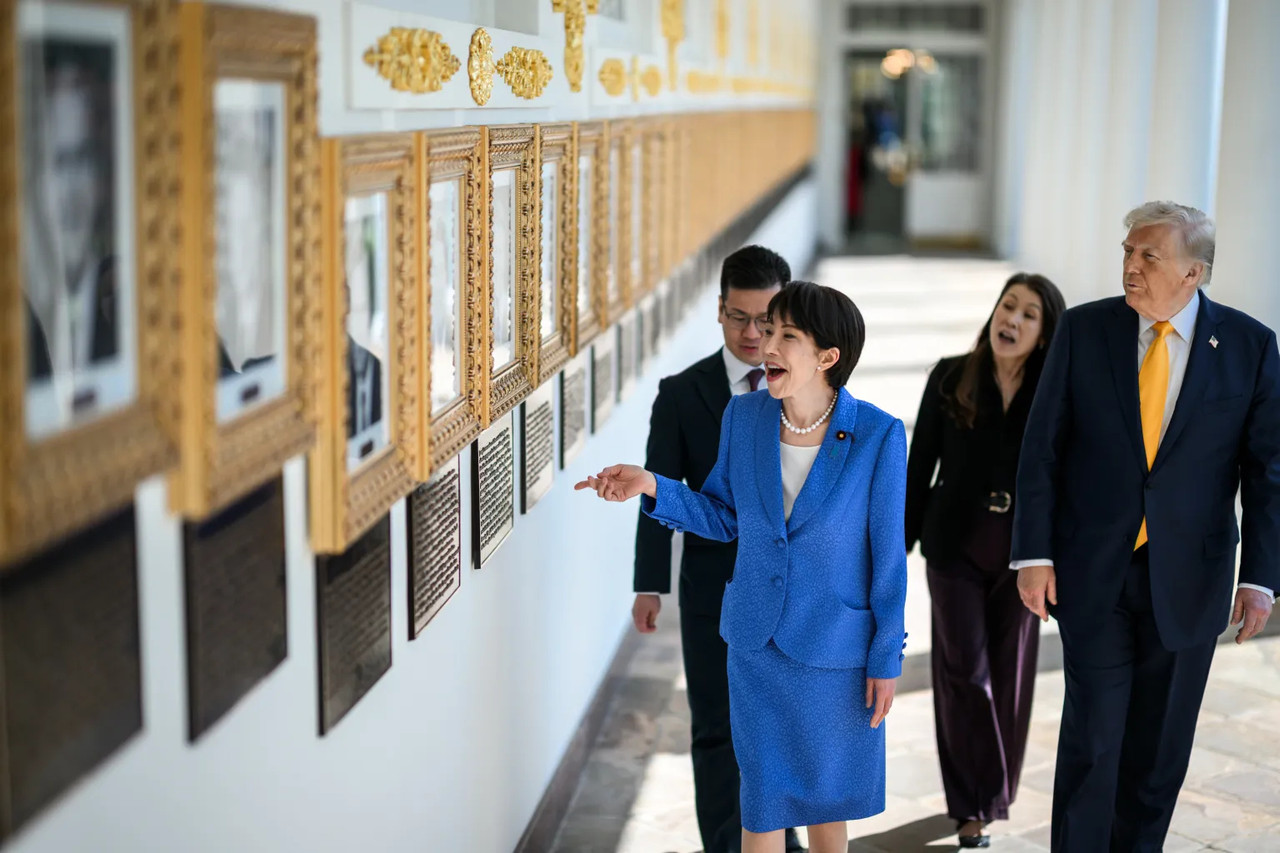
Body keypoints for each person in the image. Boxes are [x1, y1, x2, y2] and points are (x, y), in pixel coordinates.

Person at [578, 282, 908, 853]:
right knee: (761, 804)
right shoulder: (745, 416)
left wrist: (886, 658)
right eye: (768, 330)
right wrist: (652, 485)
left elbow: (888, 560)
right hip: (757, 647)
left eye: (786, 335)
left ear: (827, 357)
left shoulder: (878, 436)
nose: (766, 344)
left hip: (836, 654)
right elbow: (723, 515)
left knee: (827, 810)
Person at [1012, 202, 1278, 852]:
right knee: (1093, 742)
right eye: (1128, 252)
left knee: (1158, 757)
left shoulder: (1250, 346)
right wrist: (1033, 552)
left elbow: (1267, 471)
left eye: (1148, 255)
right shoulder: (1084, 329)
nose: (1130, 265)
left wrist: (1261, 578)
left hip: (1191, 580)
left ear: (1193, 272)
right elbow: (1043, 447)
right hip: (1093, 572)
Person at [631, 245, 798, 853]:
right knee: (718, 726)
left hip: (788, 590)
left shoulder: (805, 388)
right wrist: (649, 583)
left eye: (766, 320)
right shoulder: (682, 394)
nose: (752, 334)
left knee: (782, 721)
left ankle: (781, 837)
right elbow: (658, 487)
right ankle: (728, 844)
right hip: (713, 590)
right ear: (719, 310)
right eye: (738, 317)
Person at [905, 273, 1066, 849]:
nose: (1012, 320)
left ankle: (994, 791)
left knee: (1009, 674)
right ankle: (974, 806)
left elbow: (1067, 478)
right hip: (953, 549)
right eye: (1008, 306)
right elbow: (918, 466)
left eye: (1029, 314)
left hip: (1024, 558)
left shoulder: (1055, 390)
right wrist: (894, 551)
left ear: (1044, 333)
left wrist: (1060, 558)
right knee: (964, 675)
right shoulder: (951, 376)